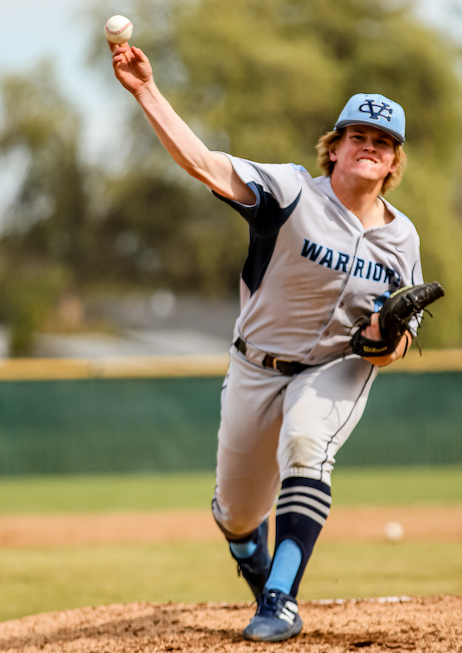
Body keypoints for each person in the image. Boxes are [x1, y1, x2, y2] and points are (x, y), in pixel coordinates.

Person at [109, 39, 423, 643]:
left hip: (335, 367)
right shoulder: (289, 192)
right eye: (357, 136)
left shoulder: (402, 240)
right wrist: (146, 89)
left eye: (381, 143)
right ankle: (253, 558)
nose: (368, 146)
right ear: (333, 148)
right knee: (236, 514)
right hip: (255, 368)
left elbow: (398, 342)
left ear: (392, 164)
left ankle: (280, 599)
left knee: (309, 445)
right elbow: (202, 162)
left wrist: (386, 338)